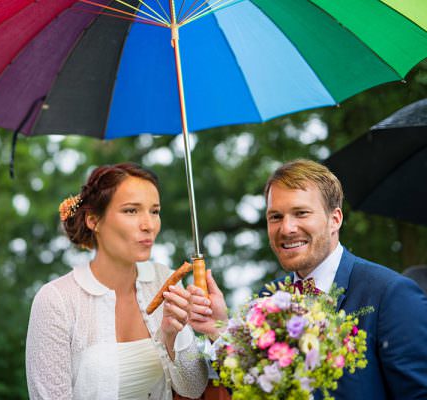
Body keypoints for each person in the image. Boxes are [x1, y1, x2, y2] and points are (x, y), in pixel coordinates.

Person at [188, 159, 427, 399]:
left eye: (301, 213)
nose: (287, 228)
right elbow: (248, 391)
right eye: (275, 217)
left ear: (335, 219)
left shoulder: (391, 294)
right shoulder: (265, 299)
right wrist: (218, 330)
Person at [26, 163, 208, 400]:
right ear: (94, 220)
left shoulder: (165, 280)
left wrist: (172, 339)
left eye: (154, 211)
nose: (149, 225)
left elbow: (194, 387)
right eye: (131, 211)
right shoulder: (56, 300)